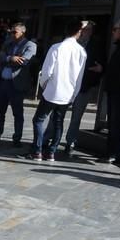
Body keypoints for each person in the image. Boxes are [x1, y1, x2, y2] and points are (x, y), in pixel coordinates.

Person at [26, 21, 87, 162]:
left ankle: (37, 151)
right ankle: (51, 152)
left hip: (52, 90)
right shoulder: (81, 52)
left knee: (39, 119)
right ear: (78, 32)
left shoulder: (56, 47)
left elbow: (46, 72)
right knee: (58, 122)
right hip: (67, 92)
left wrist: (44, 86)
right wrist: (74, 94)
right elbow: (79, 78)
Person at [0, 23, 37, 146]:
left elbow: (23, 61)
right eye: (11, 32)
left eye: (14, 32)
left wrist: (7, 59)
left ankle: (17, 139)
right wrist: (10, 58)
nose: (11, 34)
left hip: (17, 84)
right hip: (3, 82)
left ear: (22, 33)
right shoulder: (8, 43)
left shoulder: (30, 45)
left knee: (18, 113)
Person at [62, 21, 104, 155]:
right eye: (84, 29)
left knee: (76, 117)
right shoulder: (70, 43)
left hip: (84, 87)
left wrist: (100, 69)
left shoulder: (96, 46)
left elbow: (101, 65)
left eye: (89, 30)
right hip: (66, 86)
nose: (86, 32)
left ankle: (70, 142)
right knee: (57, 114)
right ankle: (48, 138)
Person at [103, 18, 120, 164]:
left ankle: (116, 154)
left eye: (116, 29)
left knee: (119, 124)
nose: (113, 32)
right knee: (115, 123)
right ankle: (114, 153)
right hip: (115, 91)